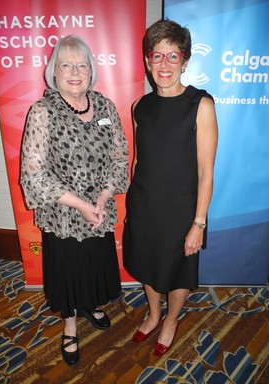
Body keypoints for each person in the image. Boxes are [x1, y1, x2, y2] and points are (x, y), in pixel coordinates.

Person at [20, 35, 129, 365]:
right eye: (66, 64)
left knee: (94, 264)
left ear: (91, 70)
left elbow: (119, 155)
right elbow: (34, 173)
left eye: (81, 64)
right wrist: (81, 205)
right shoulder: (43, 111)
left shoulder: (105, 106)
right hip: (63, 215)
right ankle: (70, 325)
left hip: (101, 209)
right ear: (54, 72)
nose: (74, 72)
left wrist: (104, 194)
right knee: (68, 270)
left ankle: (91, 304)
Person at [123, 19, 218, 357]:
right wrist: (132, 207)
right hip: (145, 206)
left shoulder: (200, 105)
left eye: (173, 56)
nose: (164, 65)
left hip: (181, 212)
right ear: (148, 61)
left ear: (185, 61)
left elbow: (206, 173)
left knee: (177, 271)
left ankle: (171, 319)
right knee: (148, 264)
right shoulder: (140, 107)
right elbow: (137, 162)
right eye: (156, 56)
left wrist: (199, 224)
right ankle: (153, 313)